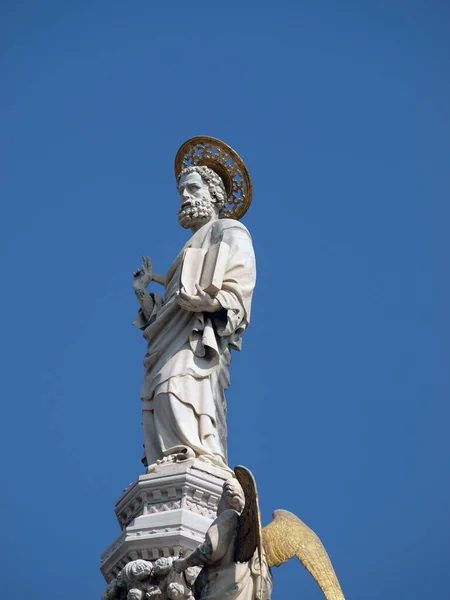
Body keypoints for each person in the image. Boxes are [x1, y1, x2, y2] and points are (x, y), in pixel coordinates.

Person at [133, 164, 256, 470]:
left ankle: (199, 455)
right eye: (181, 192)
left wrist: (210, 301)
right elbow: (165, 312)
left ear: (215, 195)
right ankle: (174, 458)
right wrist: (142, 294)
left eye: (193, 189)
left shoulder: (229, 231)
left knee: (178, 390)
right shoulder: (189, 246)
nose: (185, 197)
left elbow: (240, 283)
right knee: (162, 395)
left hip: (198, 337)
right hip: (169, 338)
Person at [171, 478, 272, 600]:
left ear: (227, 499)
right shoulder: (255, 538)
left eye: (220, 499)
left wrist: (184, 563)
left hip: (224, 587)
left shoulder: (230, 516)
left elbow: (210, 549)